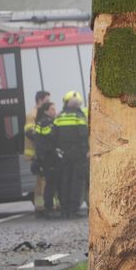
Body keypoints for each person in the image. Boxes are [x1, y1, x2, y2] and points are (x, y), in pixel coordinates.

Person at [52, 91, 89, 219]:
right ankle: (74, 210)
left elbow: (53, 135)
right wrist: (86, 150)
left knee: (65, 180)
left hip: (63, 153)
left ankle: (64, 210)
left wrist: (60, 148)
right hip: (78, 153)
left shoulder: (59, 116)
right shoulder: (79, 116)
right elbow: (84, 134)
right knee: (77, 181)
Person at [31, 102, 61, 218]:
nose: (55, 111)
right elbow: (51, 135)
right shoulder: (46, 123)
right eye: (52, 109)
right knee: (51, 184)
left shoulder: (43, 122)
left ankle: (50, 208)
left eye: (55, 109)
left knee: (52, 183)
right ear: (46, 111)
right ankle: (49, 208)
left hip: (48, 157)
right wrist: (57, 123)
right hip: (49, 158)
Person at [24, 90, 51, 216]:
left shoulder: (40, 113)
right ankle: (41, 206)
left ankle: (41, 205)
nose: (48, 102)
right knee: (41, 180)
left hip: (41, 151)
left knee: (42, 180)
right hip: (36, 152)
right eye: (46, 100)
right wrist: (42, 139)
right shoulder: (32, 114)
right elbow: (29, 132)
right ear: (40, 100)